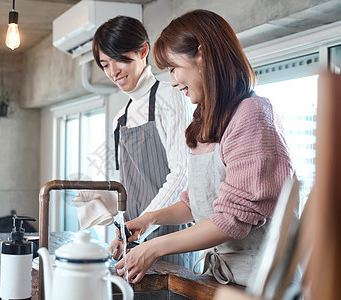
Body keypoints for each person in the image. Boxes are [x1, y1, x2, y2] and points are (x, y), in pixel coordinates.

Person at [113, 9, 294, 286]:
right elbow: (196, 200)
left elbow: (232, 218)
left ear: (203, 55)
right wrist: (149, 219)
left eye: (173, 68)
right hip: (223, 281)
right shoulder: (207, 121)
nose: (172, 81)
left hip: (262, 283)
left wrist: (154, 247)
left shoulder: (253, 114)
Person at [92, 16, 195, 267]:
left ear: (143, 51)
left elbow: (182, 173)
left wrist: (145, 226)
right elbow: (125, 184)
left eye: (119, 59)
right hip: (135, 236)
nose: (112, 71)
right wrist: (122, 230)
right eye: (105, 64)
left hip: (172, 235)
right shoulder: (120, 118)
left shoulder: (171, 96)